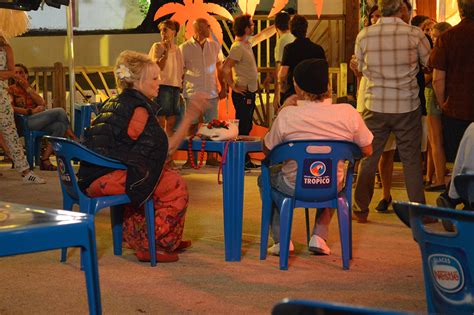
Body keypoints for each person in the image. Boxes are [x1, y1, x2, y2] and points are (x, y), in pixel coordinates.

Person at [77, 50, 209, 263]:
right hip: (104, 178)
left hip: (91, 174)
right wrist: (191, 115)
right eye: (154, 78)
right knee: (174, 185)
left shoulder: (115, 102)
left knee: (160, 175)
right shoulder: (139, 109)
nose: (159, 82)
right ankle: (154, 242)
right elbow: (165, 150)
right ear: (137, 82)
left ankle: (156, 236)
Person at [260, 58, 373, 256]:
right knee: (334, 176)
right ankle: (319, 236)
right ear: (328, 86)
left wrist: (282, 109)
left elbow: (267, 150)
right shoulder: (348, 113)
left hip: (293, 186)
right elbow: (367, 150)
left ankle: (281, 239)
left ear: (298, 88)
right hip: (330, 186)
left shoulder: (288, 115)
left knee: (266, 179)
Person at [353, 0, 431, 223]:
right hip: (406, 105)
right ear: (401, 9)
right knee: (411, 160)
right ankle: (419, 212)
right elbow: (428, 63)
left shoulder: (364, 35)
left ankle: (360, 208)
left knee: (369, 157)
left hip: (375, 104)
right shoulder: (415, 34)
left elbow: (360, 65)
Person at [429, 0, 474, 164]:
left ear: (460, 10)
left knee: (459, 160)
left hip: (457, 108)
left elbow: (437, 79)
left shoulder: (447, 38)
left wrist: (443, 104)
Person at [8, 63, 78, 171]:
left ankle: (44, 159)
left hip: (37, 121)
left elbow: (42, 103)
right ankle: (74, 139)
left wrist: (27, 88)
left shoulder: (30, 89)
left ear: (26, 75)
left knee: (60, 126)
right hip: (23, 122)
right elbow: (11, 108)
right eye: (15, 73)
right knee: (60, 111)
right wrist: (30, 111)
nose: (18, 75)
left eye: (21, 72)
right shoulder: (10, 90)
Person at [180, 18, 227, 167]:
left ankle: (211, 157)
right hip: (192, 92)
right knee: (192, 126)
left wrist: (223, 87)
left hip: (211, 93)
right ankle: (191, 159)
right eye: (208, 26)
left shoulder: (214, 46)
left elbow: (220, 68)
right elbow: (180, 72)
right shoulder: (184, 48)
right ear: (199, 29)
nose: (210, 29)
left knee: (212, 126)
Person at [0, 33, 45, 184]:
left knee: (10, 132)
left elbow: (11, 72)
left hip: (1, 96)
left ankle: (26, 172)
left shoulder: (6, 48)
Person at [222, 14, 260, 169]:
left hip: (250, 91)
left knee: (247, 125)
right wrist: (232, 86)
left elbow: (262, 35)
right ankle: (241, 160)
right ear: (245, 28)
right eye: (251, 24)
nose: (254, 26)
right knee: (243, 126)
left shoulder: (246, 44)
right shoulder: (237, 47)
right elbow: (226, 67)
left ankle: (245, 159)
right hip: (243, 93)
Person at [424, 22, 452, 191]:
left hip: (433, 94)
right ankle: (430, 176)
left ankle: (439, 178)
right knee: (433, 142)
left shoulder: (438, 51)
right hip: (450, 96)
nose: (432, 39)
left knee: (435, 141)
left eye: (434, 36)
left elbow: (433, 79)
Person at [278, 14, 326, 105]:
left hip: (294, 93)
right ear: (306, 28)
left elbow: (282, 75)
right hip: (315, 95)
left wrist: (282, 91)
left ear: (291, 30)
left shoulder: (289, 49)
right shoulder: (318, 49)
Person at [148, 19, 184, 137]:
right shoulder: (157, 46)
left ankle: (169, 147)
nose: (162, 33)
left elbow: (180, 69)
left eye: (165, 30)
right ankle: (161, 143)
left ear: (173, 32)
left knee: (172, 119)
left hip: (175, 86)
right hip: (162, 85)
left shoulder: (178, 49)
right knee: (161, 118)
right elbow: (158, 66)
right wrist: (166, 52)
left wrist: (180, 85)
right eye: (161, 30)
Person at [437, 123, 474, 210]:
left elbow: (458, 164)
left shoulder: (471, 127)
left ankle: (449, 200)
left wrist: (452, 195)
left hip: (467, 186)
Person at [262, 11, 295, 109]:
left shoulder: (282, 42)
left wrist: (277, 95)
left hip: (286, 87)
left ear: (276, 26)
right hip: (296, 85)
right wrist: (271, 76)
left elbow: (279, 69)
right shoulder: (294, 38)